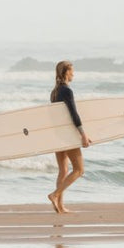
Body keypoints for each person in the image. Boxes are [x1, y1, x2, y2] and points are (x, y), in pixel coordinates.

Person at [48, 61, 91, 213]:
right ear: (66, 72)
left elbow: (55, 117)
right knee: (79, 170)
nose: (73, 74)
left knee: (63, 170)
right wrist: (83, 134)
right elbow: (73, 115)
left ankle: (60, 205)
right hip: (67, 136)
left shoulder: (54, 92)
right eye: (72, 71)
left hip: (57, 135)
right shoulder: (67, 91)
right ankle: (55, 195)